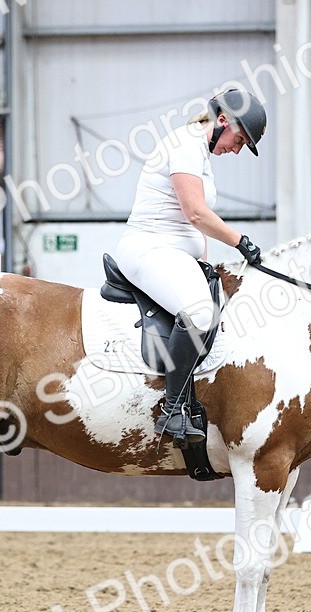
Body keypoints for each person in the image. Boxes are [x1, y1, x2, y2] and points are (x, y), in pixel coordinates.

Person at [115, 88, 268, 444]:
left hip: (172, 254)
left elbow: (188, 225)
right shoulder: (185, 144)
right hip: (148, 249)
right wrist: (240, 242)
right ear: (222, 121)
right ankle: (172, 409)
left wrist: (203, 261)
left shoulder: (201, 154)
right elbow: (195, 213)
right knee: (199, 313)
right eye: (239, 139)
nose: (237, 148)